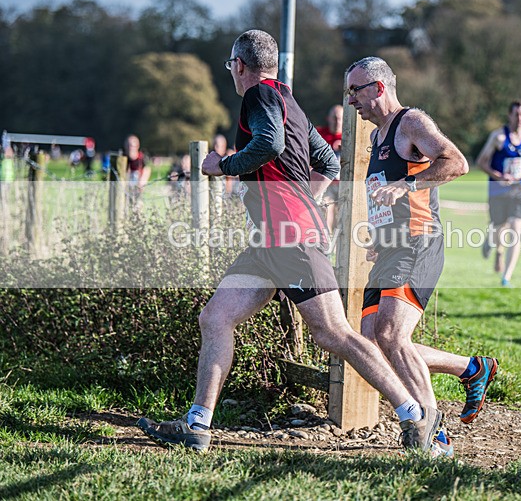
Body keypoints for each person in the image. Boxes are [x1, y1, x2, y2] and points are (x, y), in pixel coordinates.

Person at [138, 30, 438, 455]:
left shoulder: (258, 95)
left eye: (230, 65)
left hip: (292, 239)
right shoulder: (288, 100)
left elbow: (269, 143)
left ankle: (414, 415)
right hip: (267, 241)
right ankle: (197, 425)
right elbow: (327, 162)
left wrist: (223, 165)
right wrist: (302, 201)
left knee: (334, 333)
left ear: (239, 65)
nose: (232, 72)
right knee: (215, 317)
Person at [346, 56, 497, 454]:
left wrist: (407, 185)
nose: (350, 100)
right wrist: (379, 234)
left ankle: (431, 430)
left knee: (391, 334)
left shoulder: (410, 123)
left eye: (355, 91)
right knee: (373, 344)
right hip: (391, 248)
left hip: (418, 241)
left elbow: (456, 162)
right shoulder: (377, 137)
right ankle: (471, 368)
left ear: (379, 88)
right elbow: (383, 194)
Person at [476, 100, 521, 286]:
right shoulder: (498, 137)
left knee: (516, 228)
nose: (520, 118)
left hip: (519, 191)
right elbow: (481, 162)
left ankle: (506, 277)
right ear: (510, 115)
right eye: (517, 114)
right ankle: (493, 243)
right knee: (499, 227)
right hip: (498, 191)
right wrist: (498, 176)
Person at [316, 105, 343, 234]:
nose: (337, 122)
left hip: (345, 183)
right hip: (327, 182)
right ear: (328, 118)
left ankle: (341, 242)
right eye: (334, 118)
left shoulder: (350, 136)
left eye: (340, 118)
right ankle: (327, 239)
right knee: (326, 210)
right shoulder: (320, 134)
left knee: (343, 216)